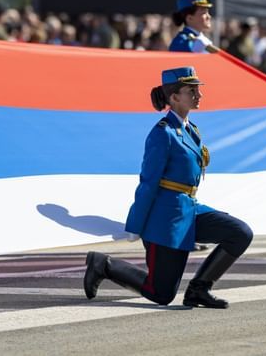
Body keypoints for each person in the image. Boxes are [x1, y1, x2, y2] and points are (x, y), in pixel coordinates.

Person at [83, 66, 253, 308]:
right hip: (165, 220)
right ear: (174, 97)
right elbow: (148, 182)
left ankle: (199, 289)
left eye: (198, 90)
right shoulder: (163, 133)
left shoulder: (190, 129)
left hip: (189, 209)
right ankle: (104, 265)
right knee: (161, 294)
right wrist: (136, 225)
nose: (199, 95)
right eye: (191, 91)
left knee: (240, 233)